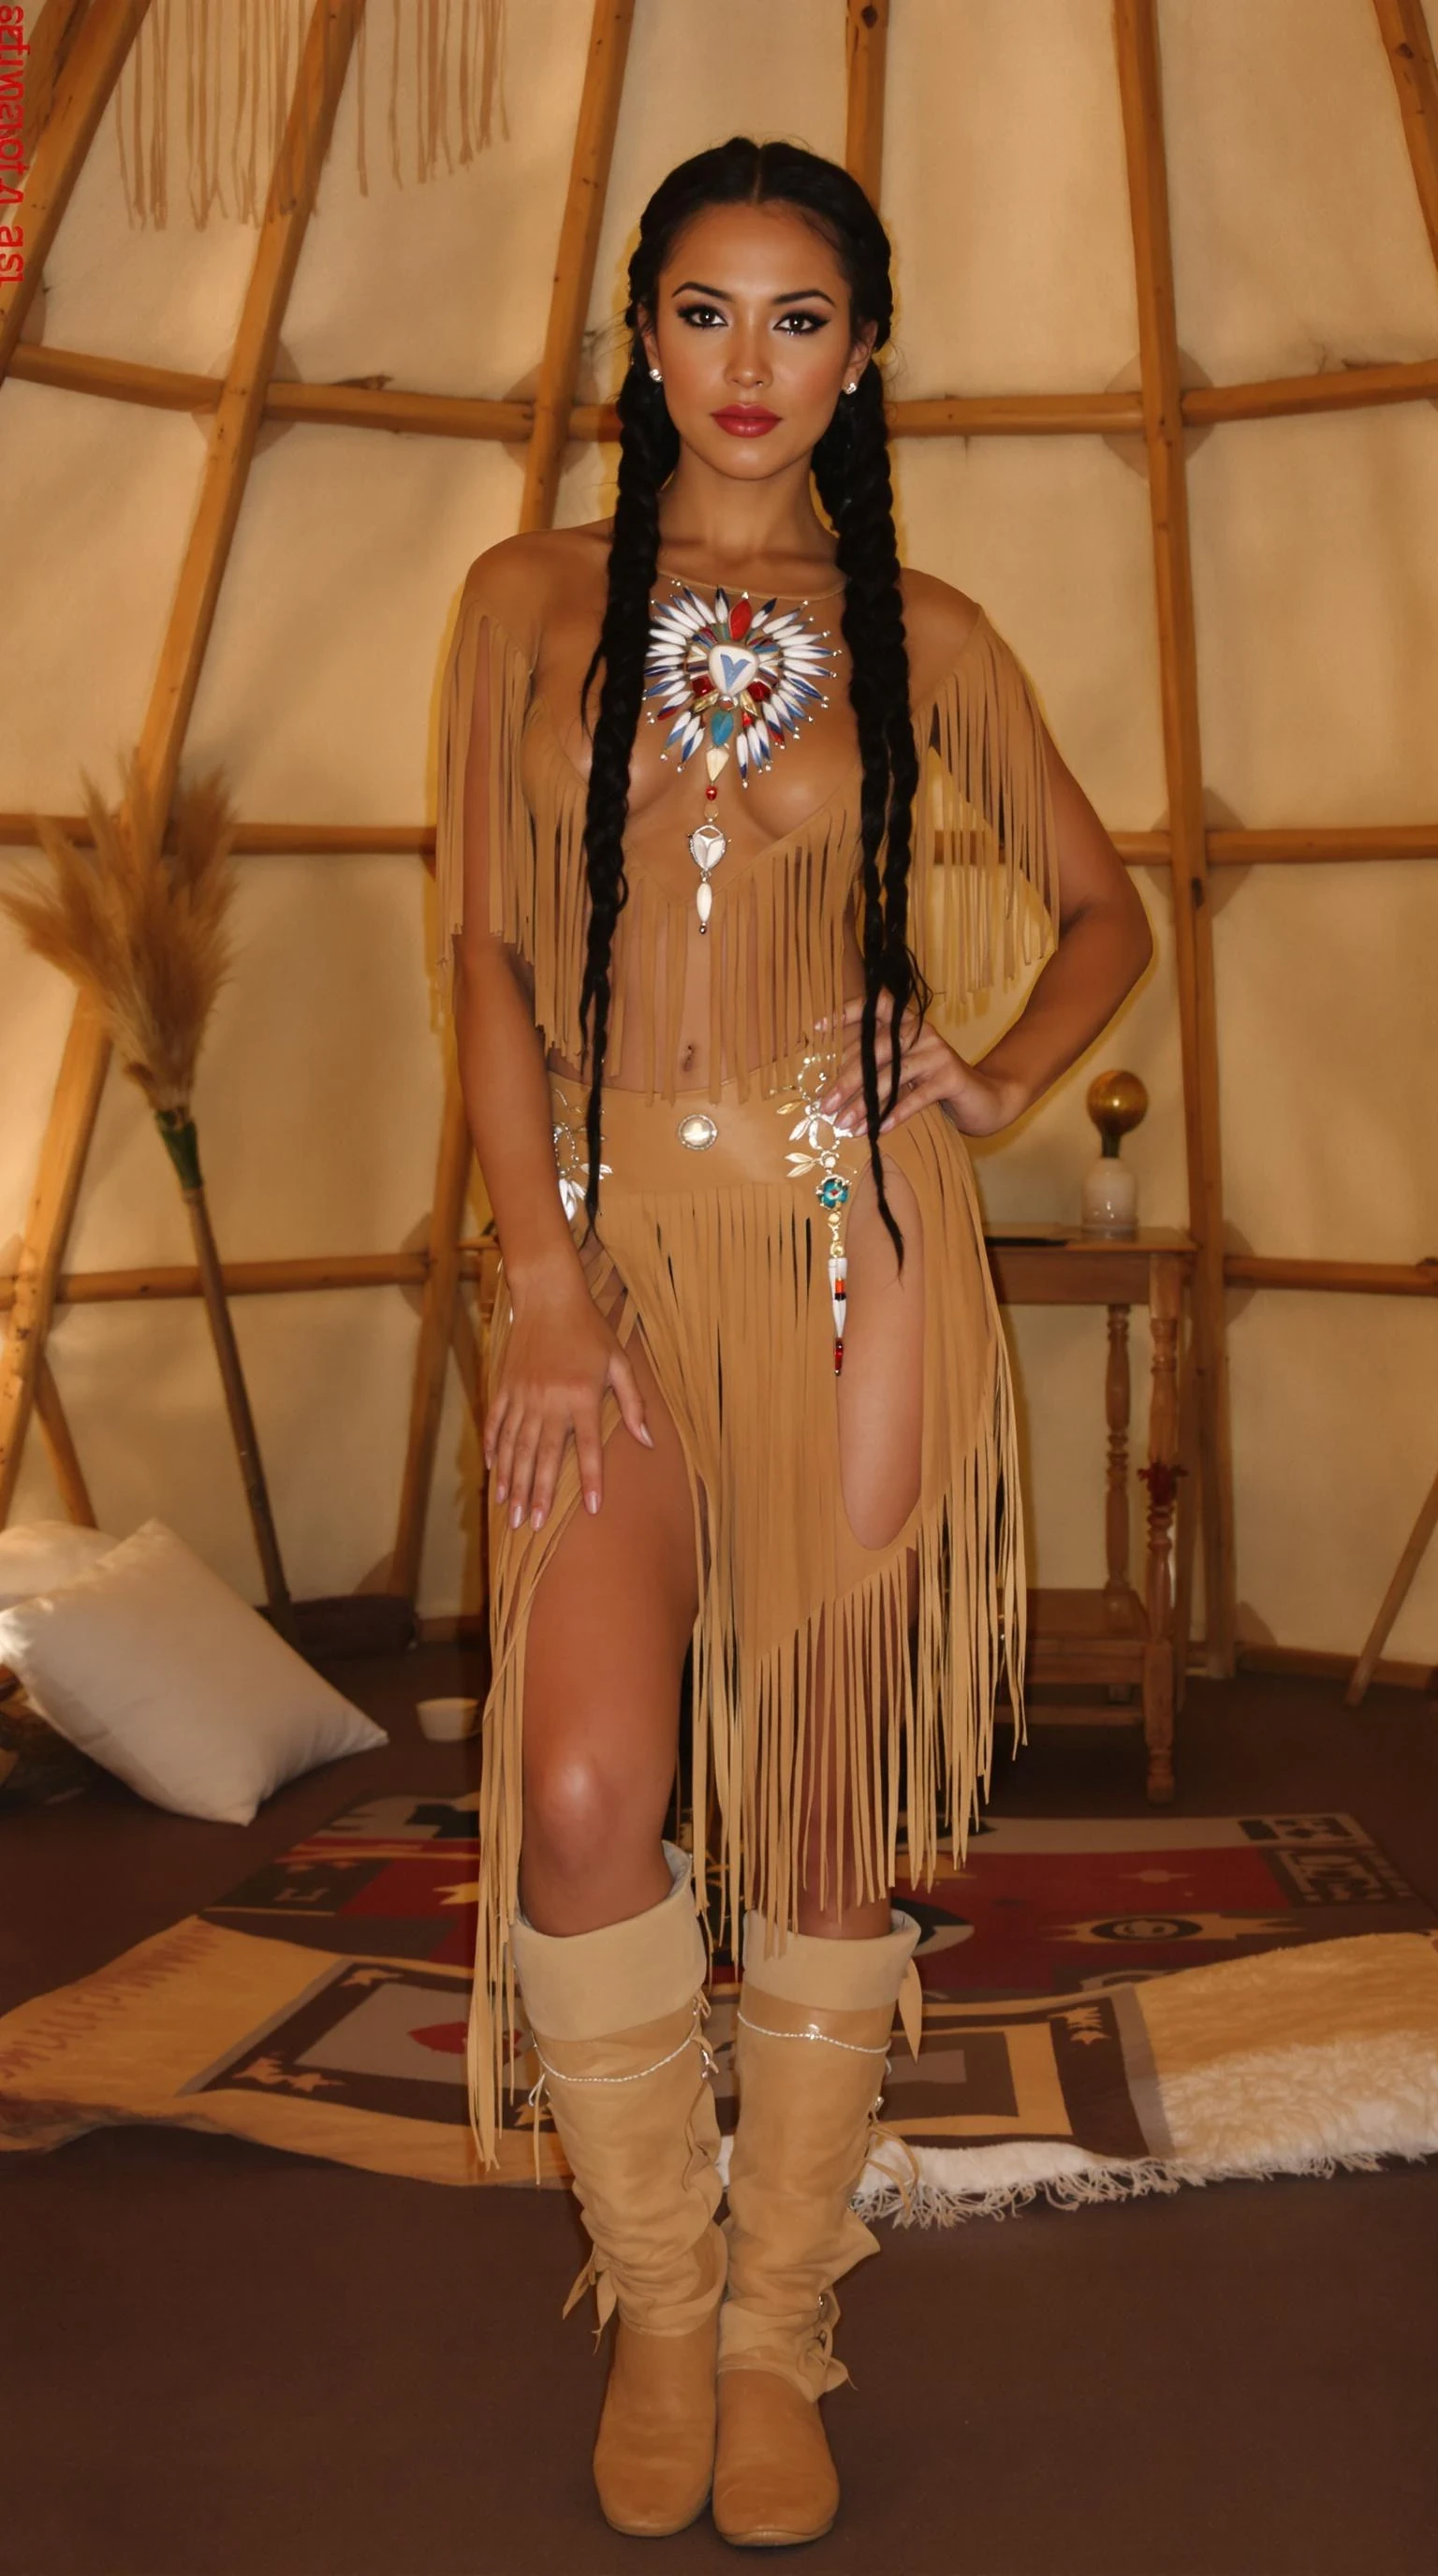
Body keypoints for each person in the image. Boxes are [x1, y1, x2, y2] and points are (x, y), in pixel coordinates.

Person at [434, 137, 1151, 2550]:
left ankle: (777, 2331)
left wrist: (996, 1068)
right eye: (710, 313)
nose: (754, 366)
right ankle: (655, 2290)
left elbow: (1100, 908)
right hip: (614, 1259)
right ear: (644, 335)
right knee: (581, 1796)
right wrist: (541, 1281)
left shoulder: (925, 630)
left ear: (864, 354)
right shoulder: (523, 604)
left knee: (836, 1811)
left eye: (804, 319)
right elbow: (493, 969)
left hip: (861, 1245)